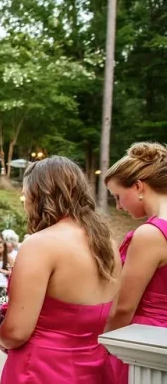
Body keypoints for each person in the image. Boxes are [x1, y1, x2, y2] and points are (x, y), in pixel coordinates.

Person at [0, 157, 121, 383]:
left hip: (41, 369)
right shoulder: (109, 245)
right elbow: (111, 315)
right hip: (94, 367)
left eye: (26, 194)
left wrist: (1, 338)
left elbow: (16, 332)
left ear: (39, 195)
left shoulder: (40, 245)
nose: (24, 202)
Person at [104, 142, 167, 383]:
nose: (119, 206)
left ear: (139, 186)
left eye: (118, 196)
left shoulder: (151, 234)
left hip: (141, 343)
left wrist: (103, 343)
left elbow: (124, 308)